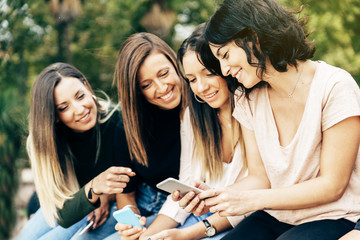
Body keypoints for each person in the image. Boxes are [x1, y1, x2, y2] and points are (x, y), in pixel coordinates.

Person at [192, 0, 360, 239]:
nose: (225, 69)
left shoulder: (334, 86)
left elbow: (332, 185)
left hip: (335, 216)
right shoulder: (247, 97)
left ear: (253, 37)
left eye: (226, 55)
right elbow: (259, 177)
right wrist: (218, 196)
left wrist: (252, 200)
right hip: (278, 214)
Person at [133, 23, 252, 240]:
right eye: (192, 79)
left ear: (226, 68)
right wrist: (147, 236)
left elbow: (252, 199)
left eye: (208, 73)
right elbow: (185, 182)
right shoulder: (193, 115)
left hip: (238, 223)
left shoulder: (254, 110)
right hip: (200, 218)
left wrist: (189, 234)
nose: (201, 87)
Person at [16, 63, 135, 240]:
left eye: (80, 96)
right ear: (53, 116)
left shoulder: (118, 121)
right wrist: (94, 188)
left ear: (87, 87)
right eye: (64, 108)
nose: (79, 110)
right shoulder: (46, 140)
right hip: (74, 202)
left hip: (114, 205)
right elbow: (57, 203)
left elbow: (132, 183)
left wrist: (107, 196)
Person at [104, 32, 187, 240]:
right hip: (145, 198)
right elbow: (126, 194)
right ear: (137, 91)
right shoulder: (129, 126)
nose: (161, 88)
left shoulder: (200, 104)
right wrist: (131, 222)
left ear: (175, 65)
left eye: (164, 73)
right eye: (146, 85)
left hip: (182, 204)